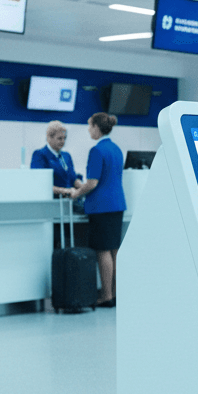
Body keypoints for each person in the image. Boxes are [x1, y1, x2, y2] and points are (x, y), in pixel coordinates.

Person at [69, 112, 126, 308]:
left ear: (97, 128)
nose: (88, 129)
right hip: (117, 205)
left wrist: (76, 194)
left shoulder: (97, 151)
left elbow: (92, 183)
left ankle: (106, 296)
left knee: (102, 251)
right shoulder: (117, 149)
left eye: (89, 125)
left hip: (101, 206)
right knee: (114, 250)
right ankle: (116, 294)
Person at [30, 121, 82, 197]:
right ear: (49, 138)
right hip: (53, 202)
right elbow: (39, 184)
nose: (63, 141)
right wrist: (65, 191)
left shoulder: (66, 156)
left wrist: (84, 187)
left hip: (70, 200)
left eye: (65, 138)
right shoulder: (40, 155)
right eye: (60, 138)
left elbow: (73, 178)